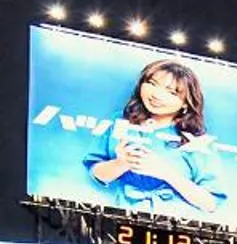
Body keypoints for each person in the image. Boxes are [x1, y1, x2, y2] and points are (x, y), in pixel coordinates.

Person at [84, 60, 226, 217]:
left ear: (186, 103)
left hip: (176, 222)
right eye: (152, 84)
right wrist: (122, 163)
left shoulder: (197, 140)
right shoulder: (121, 121)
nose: (157, 95)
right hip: (121, 216)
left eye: (171, 92)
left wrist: (165, 172)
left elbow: (210, 203)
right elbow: (95, 173)